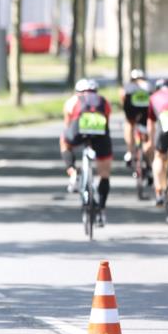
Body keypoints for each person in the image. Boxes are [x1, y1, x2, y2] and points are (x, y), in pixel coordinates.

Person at [60, 78, 113, 226]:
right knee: (104, 174)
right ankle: (101, 209)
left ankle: (73, 172)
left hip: (78, 132)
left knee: (64, 141)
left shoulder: (72, 101)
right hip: (100, 135)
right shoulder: (103, 101)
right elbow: (107, 121)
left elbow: (67, 126)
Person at [120, 68, 153, 168]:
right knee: (149, 127)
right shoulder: (148, 85)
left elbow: (122, 98)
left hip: (132, 109)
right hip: (146, 110)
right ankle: (149, 151)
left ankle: (130, 152)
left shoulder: (127, 86)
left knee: (129, 124)